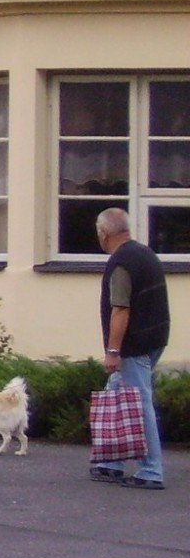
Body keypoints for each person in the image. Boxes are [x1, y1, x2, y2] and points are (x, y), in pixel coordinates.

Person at [94, 207, 171, 489]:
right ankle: (110, 463)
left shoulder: (121, 263)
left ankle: (151, 470)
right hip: (156, 337)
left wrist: (113, 351)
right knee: (114, 393)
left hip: (134, 345)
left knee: (139, 404)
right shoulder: (145, 253)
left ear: (104, 233)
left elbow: (121, 309)